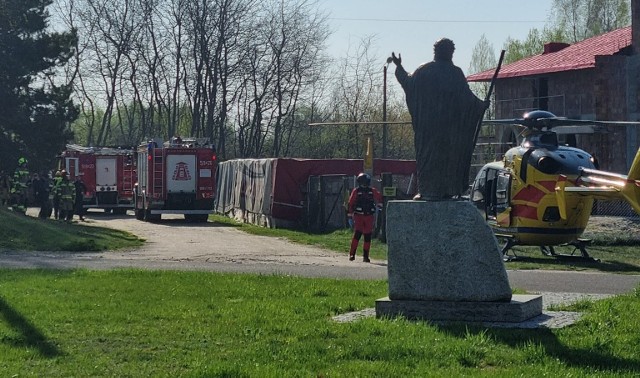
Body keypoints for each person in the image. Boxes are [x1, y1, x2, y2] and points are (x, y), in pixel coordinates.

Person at [391, 38, 488, 200]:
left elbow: (408, 83)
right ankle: (444, 190)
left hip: (429, 130)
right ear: (449, 53)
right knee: (445, 159)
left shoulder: (424, 70)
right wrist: (480, 106)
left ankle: (429, 191)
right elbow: (468, 100)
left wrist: (399, 67)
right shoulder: (454, 73)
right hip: (447, 131)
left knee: (430, 159)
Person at [347, 173, 383, 263]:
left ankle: (365, 256)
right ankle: (352, 254)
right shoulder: (356, 191)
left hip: (369, 216)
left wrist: (380, 205)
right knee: (358, 234)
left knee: (367, 236)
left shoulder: (372, 190)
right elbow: (350, 203)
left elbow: (379, 198)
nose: (365, 184)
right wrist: (350, 215)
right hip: (358, 216)